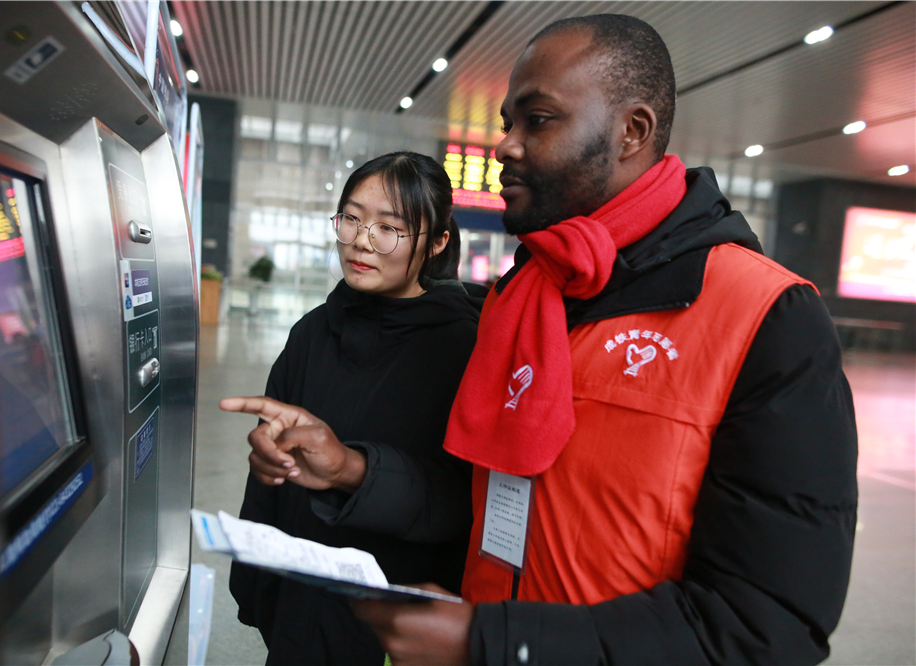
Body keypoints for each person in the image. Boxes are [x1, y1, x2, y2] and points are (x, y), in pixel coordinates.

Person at [352, 15, 858, 666]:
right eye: (508, 122)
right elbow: (485, 500)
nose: (506, 146)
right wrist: (353, 472)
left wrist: (500, 644)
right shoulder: (523, 295)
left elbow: (767, 624)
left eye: (537, 120)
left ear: (633, 131)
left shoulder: (765, 316)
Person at [220, 152, 481, 666]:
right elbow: (268, 481)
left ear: (437, 242)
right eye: (352, 218)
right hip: (296, 608)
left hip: (390, 623)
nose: (362, 239)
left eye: (390, 227)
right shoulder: (312, 333)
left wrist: (351, 471)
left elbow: (461, 499)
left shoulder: (464, 348)